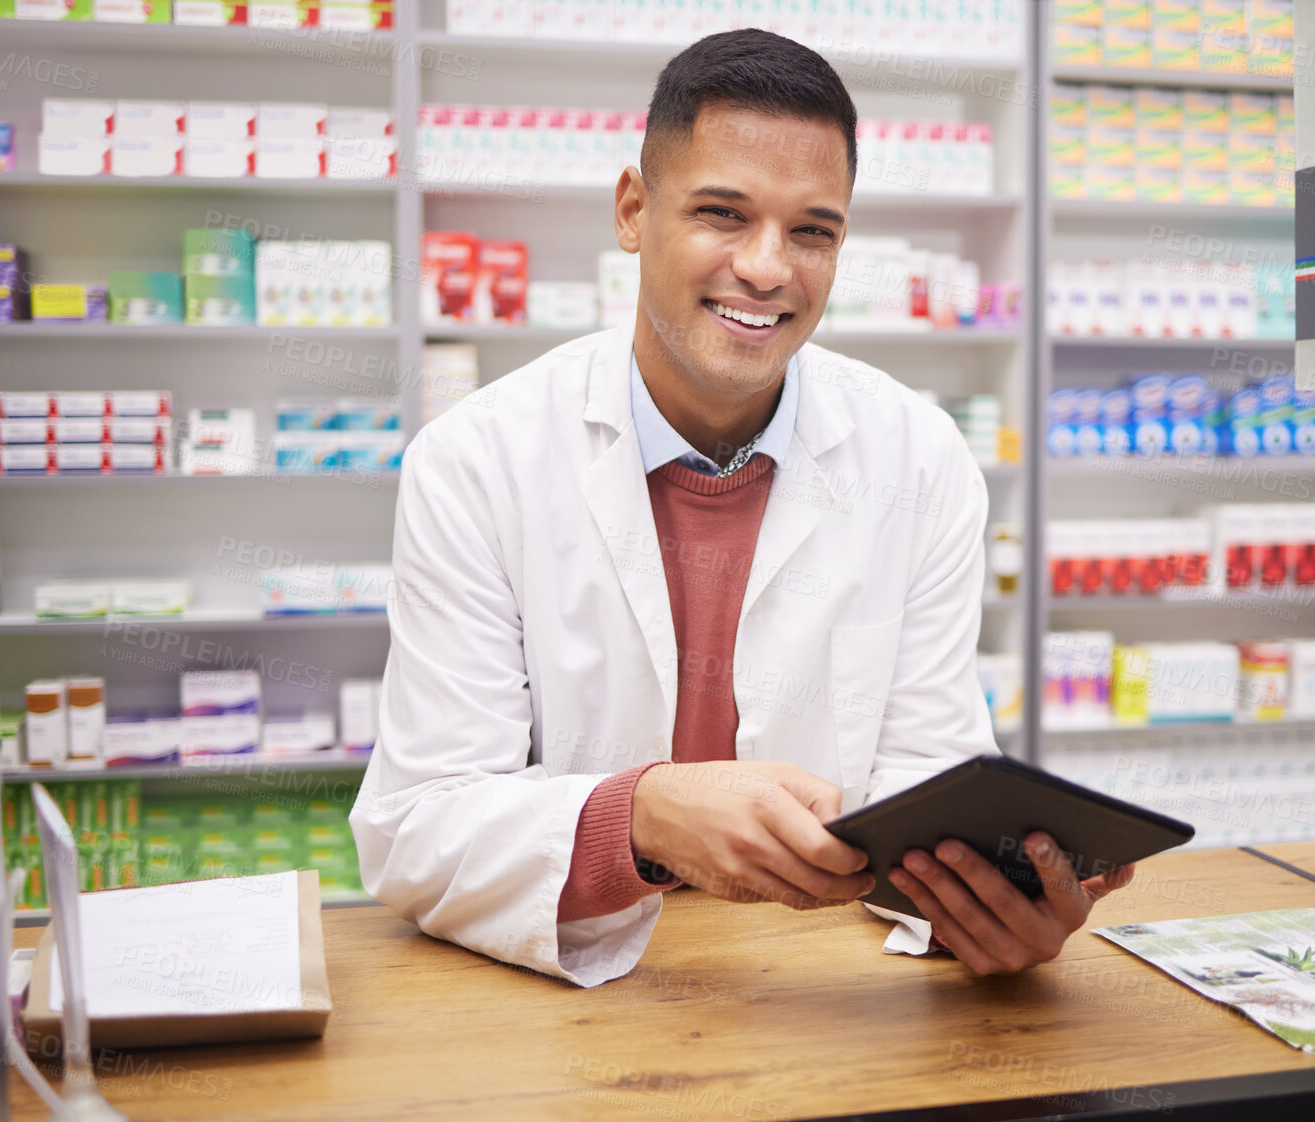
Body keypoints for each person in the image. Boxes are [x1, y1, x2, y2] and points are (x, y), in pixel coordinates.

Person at [350, 28, 1133, 987]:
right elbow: (413, 829)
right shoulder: (476, 462)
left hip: (817, 996)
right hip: (568, 1006)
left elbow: (930, 779)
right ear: (634, 211)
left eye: (813, 231)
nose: (768, 269)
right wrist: (641, 817)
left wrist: (986, 906)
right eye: (723, 213)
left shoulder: (919, 461)